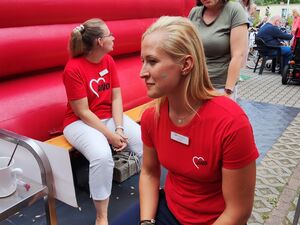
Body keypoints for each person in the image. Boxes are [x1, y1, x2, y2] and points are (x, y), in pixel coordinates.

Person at [138, 16, 259, 225]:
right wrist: (146, 222)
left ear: (186, 64)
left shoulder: (231, 124)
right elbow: (149, 173)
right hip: (170, 211)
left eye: (152, 61)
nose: (142, 72)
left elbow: (238, 212)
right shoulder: (152, 117)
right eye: (143, 61)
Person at [62, 18, 142, 225]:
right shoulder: (73, 68)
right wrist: (111, 136)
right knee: (102, 155)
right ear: (99, 41)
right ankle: (102, 216)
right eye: (109, 35)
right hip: (78, 122)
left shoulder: (108, 60)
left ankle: (150, 190)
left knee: (143, 141)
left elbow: (116, 97)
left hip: (107, 118)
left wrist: (119, 127)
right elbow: (83, 112)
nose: (113, 37)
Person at [188, 0, 248, 100]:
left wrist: (228, 90)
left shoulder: (234, 10)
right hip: (194, 84)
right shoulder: (194, 13)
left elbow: (237, 55)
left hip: (219, 87)